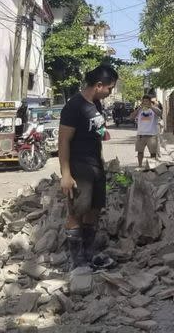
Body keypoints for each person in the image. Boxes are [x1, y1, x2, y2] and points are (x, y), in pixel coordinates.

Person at [58, 64, 118, 269]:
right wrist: (66, 174)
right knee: (77, 211)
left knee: (94, 209)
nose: (110, 92)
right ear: (99, 85)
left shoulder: (96, 105)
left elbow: (97, 136)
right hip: (79, 166)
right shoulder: (73, 106)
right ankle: (77, 260)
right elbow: (63, 141)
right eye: (109, 88)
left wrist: (101, 162)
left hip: (95, 166)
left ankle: (88, 252)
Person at [131, 95, 163, 167]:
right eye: (144, 101)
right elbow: (132, 117)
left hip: (151, 135)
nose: (145, 103)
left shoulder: (154, 109)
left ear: (150, 102)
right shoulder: (140, 110)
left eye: (147, 101)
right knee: (140, 151)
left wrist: (151, 107)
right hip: (141, 134)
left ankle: (153, 166)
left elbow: (160, 113)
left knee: (153, 153)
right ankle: (140, 165)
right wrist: (139, 108)